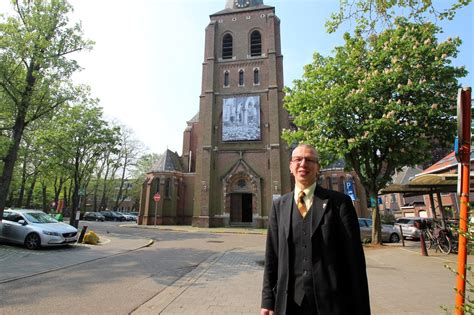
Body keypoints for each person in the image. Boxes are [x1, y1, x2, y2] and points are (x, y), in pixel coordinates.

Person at [261, 144, 370, 315]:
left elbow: (355, 261)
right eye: (298, 159)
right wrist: (268, 300)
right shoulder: (279, 206)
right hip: (289, 304)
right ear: (290, 166)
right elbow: (272, 257)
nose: (303, 164)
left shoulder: (340, 203)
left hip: (331, 304)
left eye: (309, 160)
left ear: (318, 168)